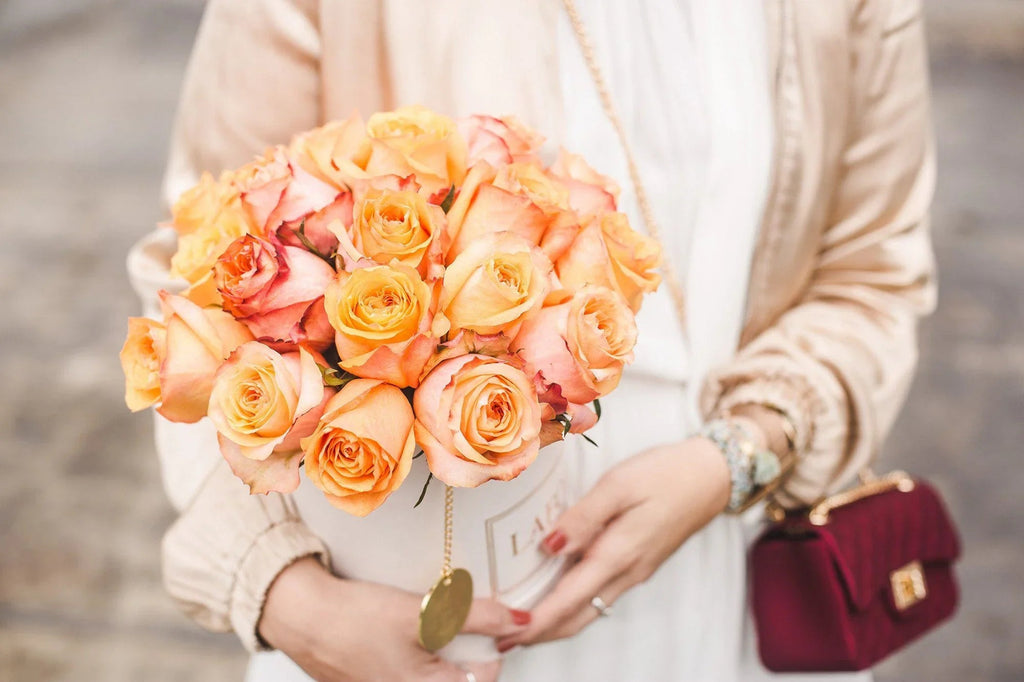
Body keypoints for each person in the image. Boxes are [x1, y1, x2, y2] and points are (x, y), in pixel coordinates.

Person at [131, 0, 936, 680]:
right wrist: (280, 592)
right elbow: (198, 280)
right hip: (404, 607)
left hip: (726, 575)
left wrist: (738, 453)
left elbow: (872, 274)